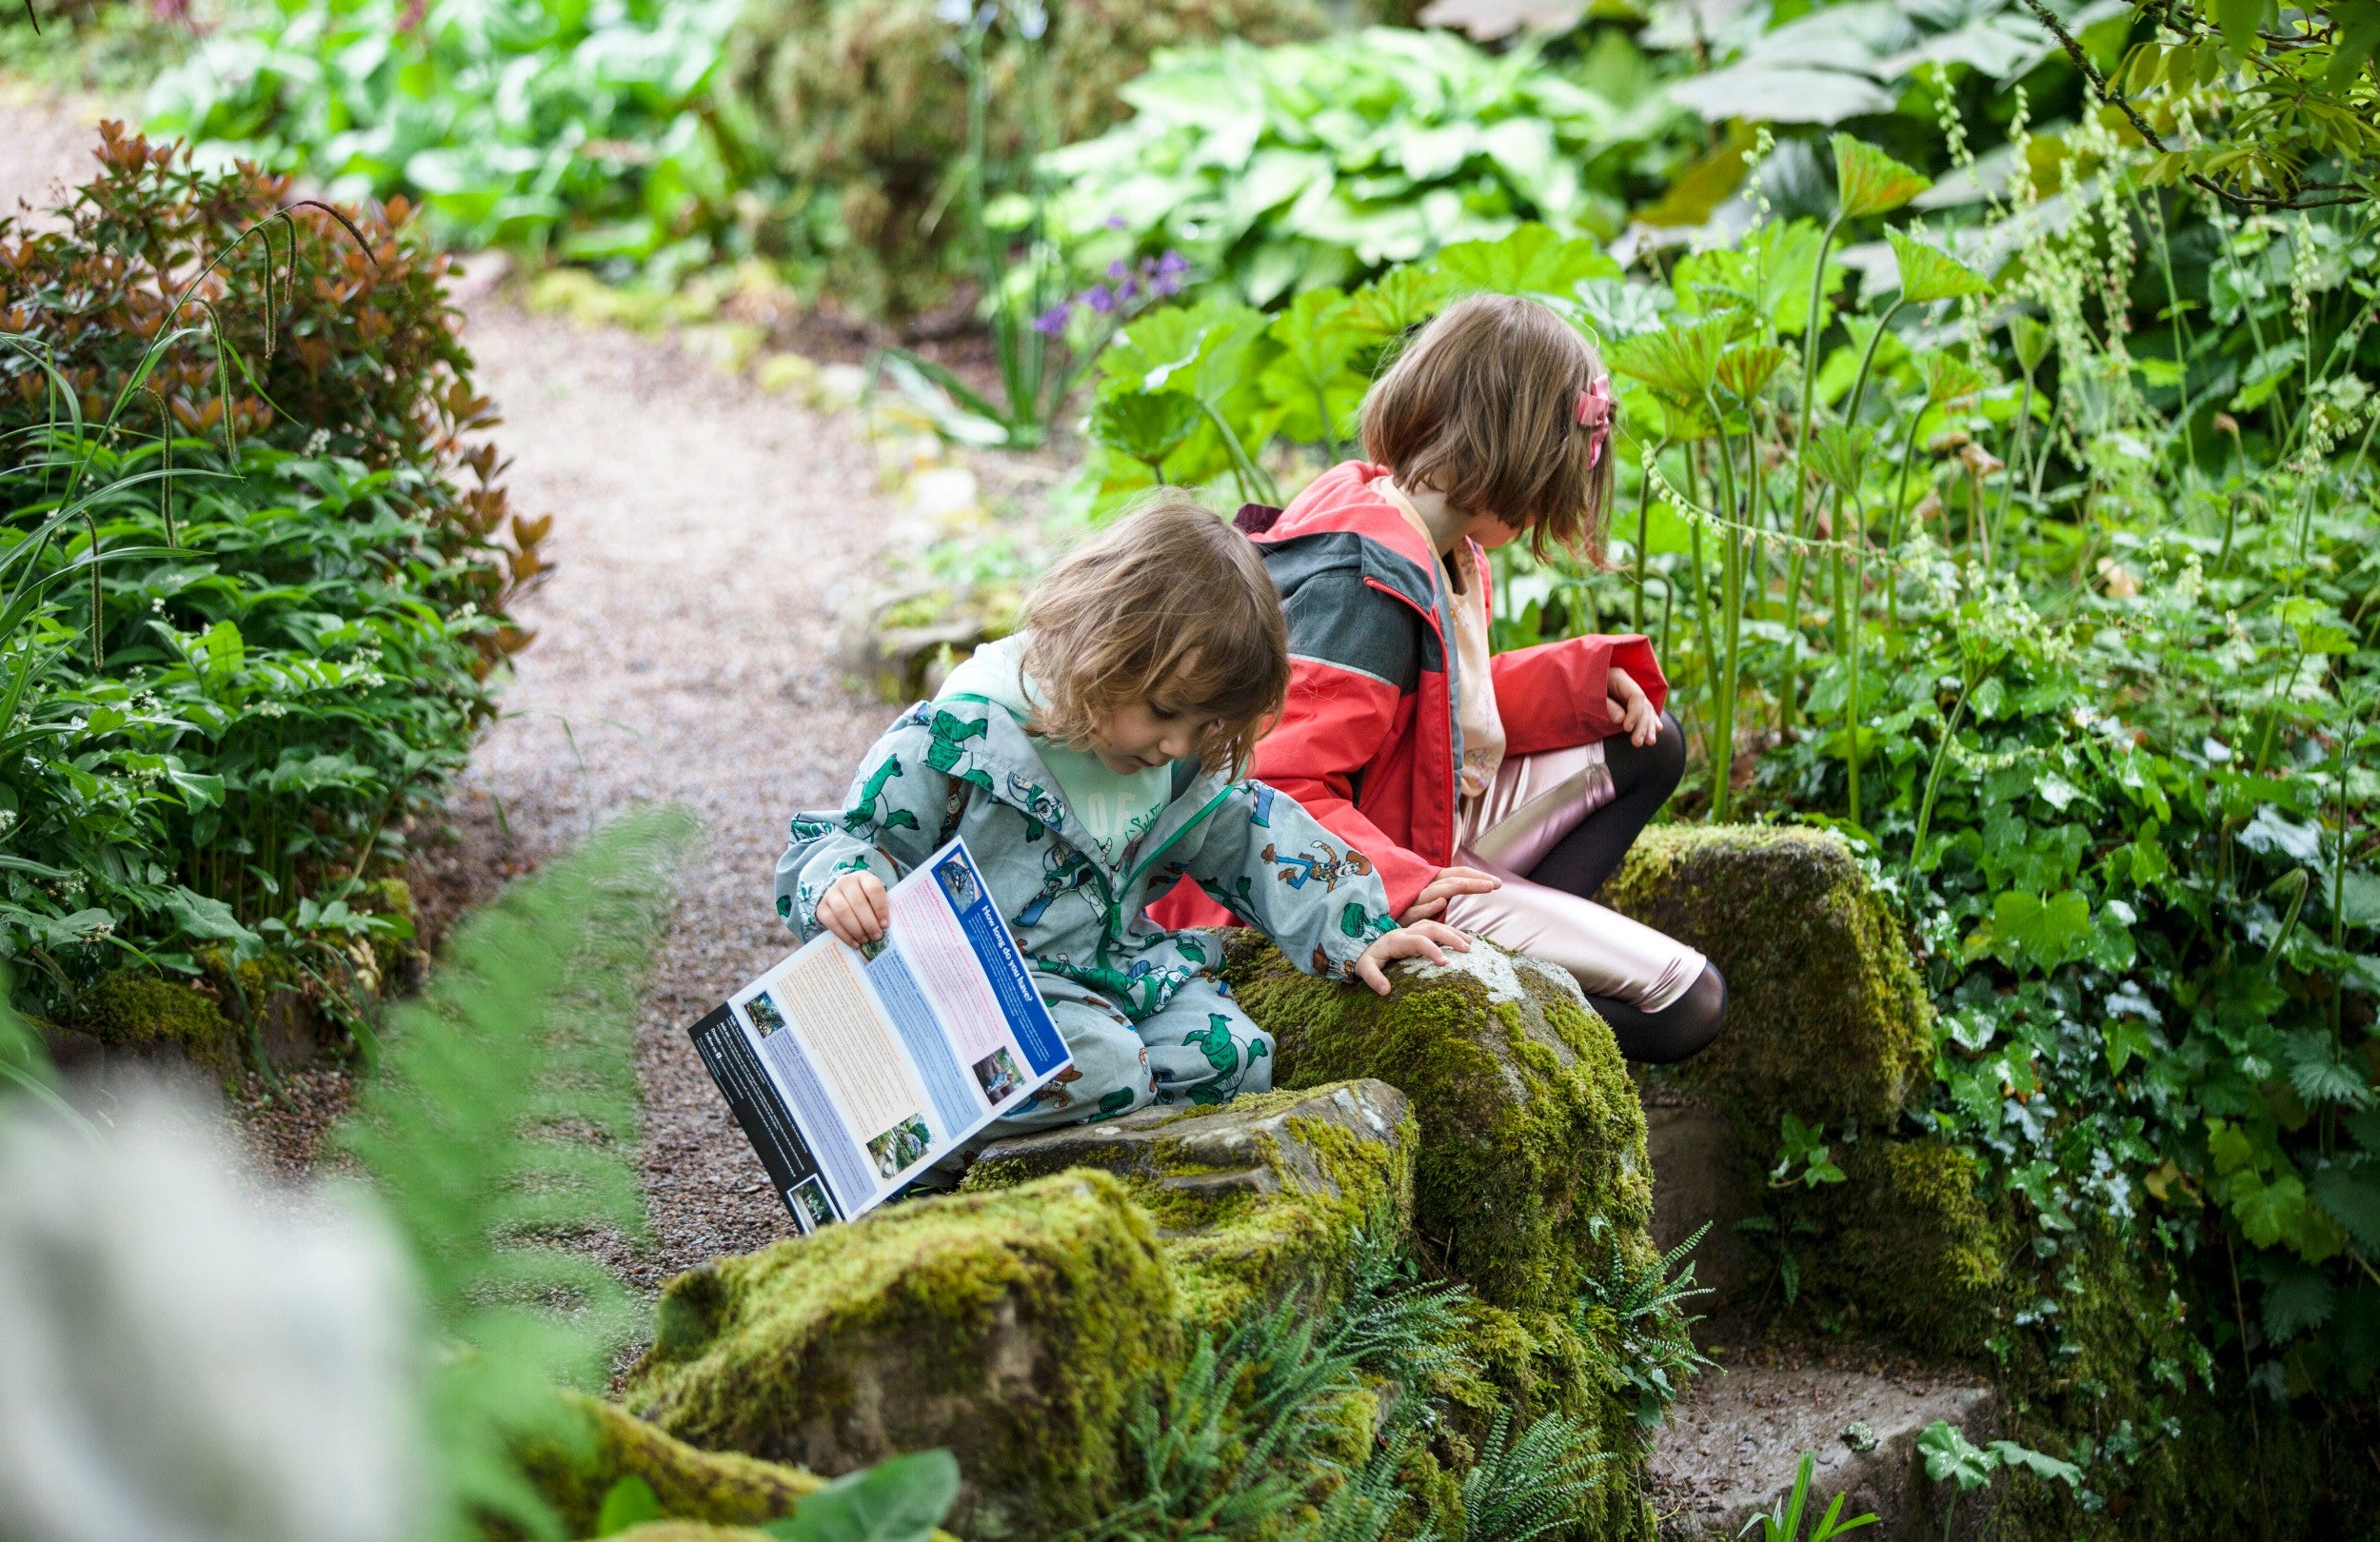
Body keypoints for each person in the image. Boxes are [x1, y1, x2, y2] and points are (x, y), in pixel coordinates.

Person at [777, 492, 1469, 1133]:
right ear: (1100, 652)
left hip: (1114, 974)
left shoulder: (1169, 764)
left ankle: (1085, 1150)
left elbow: (1252, 834)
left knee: (1233, 1057)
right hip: (978, 991)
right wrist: (842, 884)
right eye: (1165, 713)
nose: (1175, 744)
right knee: (1107, 1068)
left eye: (1202, 728)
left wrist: (1354, 929)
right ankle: (926, 1138)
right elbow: (849, 838)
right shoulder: (963, 736)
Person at [1152, 293, 1725, 1063]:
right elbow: (1274, 787)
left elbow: (1428, 712)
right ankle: (1477, 1028)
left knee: (1647, 747)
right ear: (1513, 452)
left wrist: (1582, 685)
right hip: (1318, 889)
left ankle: (1502, 971)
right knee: (1688, 1003)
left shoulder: (1431, 534)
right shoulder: (1363, 582)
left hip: (1411, 822)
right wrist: (1395, 884)